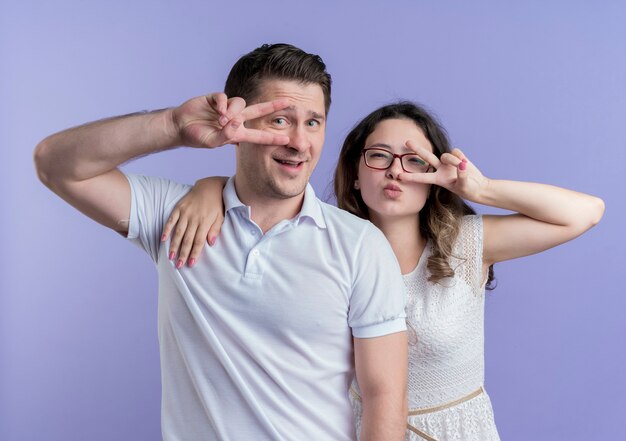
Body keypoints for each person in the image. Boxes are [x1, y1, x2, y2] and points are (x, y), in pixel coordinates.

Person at [33, 44, 410, 441]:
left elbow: (384, 397)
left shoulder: (360, 246)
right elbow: (55, 165)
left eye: (313, 123)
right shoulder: (174, 217)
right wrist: (173, 126)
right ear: (236, 121)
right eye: (279, 120)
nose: (300, 142)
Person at [165, 101, 605, 440]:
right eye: (379, 156)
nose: (396, 170)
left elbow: (584, 213)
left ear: (435, 173)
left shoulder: (464, 244)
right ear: (356, 173)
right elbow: (259, 206)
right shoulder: (325, 245)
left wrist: (479, 188)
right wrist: (209, 190)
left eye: (415, 161)